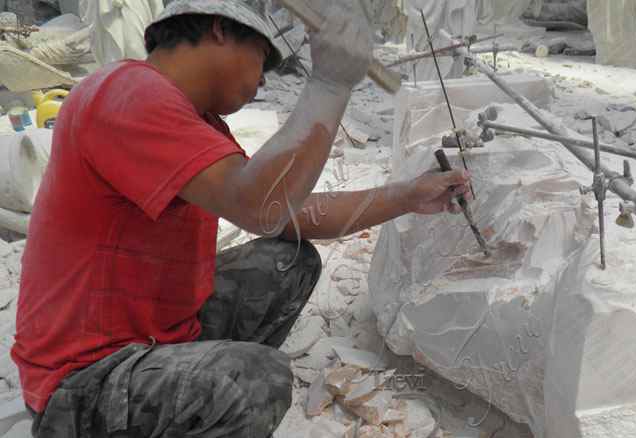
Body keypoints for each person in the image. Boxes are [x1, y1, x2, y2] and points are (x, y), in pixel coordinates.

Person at [10, 0, 472, 436]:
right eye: (262, 59)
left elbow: (283, 215)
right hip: (84, 381)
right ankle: (202, 397)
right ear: (218, 28)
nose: (265, 82)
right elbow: (259, 205)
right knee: (256, 380)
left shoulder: (196, 122)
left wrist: (407, 196)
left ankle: (194, 395)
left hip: (154, 337)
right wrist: (330, 84)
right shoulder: (128, 94)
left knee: (288, 260)